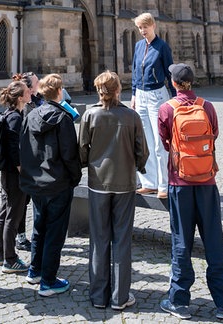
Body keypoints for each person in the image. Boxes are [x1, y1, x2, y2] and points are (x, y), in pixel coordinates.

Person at [157, 63, 223, 320]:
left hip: (180, 183)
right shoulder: (207, 106)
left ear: (174, 83)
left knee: (181, 241)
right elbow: (214, 135)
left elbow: (166, 142)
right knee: (213, 239)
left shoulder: (167, 108)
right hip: (207, 182)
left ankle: (179, 301)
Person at [78, 71, 149, 310]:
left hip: (98, 184)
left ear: (100, 91)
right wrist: (137, 166)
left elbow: (82, 150)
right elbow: (142, 151)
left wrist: (89, 163)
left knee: (98, 239)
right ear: (118, 90)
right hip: (124, 184)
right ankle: (119, 297)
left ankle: (99, 296)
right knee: (121, 240)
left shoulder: (90, 115)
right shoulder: (131, 116)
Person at [19, 73, 82, 297]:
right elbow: (69, 154)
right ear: (58, 92)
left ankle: (34, 270)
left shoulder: (31, 115)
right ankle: (48, 280)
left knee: (39, 227)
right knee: (55, 231)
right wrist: (75, 178)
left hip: (37, 183)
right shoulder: (63, 119)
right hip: (58, 183)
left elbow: (24, 148)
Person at [131, 12, 175, 199]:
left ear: (153, 26)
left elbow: (170, 72)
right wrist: (133, 94)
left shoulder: (162, 47)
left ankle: (164, 184)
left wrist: (175, 99)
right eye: (140, 28)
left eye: (145, 27)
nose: (142, 31)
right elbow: (135, 70)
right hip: (141, 95)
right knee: (144, 142)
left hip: (157, 95)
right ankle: (149, 183)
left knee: (159, 142)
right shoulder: (139, 46)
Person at [0, 81, 32, 273]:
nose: (30, 93)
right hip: (14, 173)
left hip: (8, 172)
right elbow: (14, 149)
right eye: (27, 91)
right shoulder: (15, 117)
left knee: (5, 211)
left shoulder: (11, 114)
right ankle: (10, 259)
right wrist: (23, 171)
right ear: (19, 97)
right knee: (13, 215)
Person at [12, 71, 43, 251]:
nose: (40, 85)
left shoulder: (36, 101)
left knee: (29, 199)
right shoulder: (26, 107)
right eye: (37, 83)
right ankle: (19, 236)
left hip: (34, 159)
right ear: (29, 89)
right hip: (25, 160)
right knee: (22, 201)